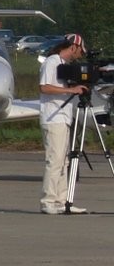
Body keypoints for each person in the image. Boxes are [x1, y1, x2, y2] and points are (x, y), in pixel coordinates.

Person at [39, 33, 89, 215]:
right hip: (54, 118)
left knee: (63, 161)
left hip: (63, 117)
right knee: (55, 161)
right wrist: (70, 90)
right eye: (80, 51)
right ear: (73, 47)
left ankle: (62, 201)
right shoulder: (51, 62)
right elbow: (44, 87)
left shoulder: (64, 65)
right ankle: (48, 201)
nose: (80, 55)